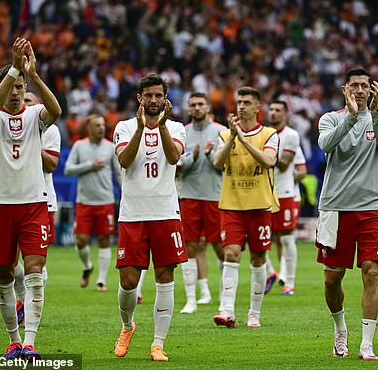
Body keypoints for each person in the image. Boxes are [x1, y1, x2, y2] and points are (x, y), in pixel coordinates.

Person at [0, 37, 61, 359]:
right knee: (4, 274)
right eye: (11, 85)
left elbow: (56, 110)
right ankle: (12, 340)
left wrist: (34, 76)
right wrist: (13, 69)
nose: (15, 91)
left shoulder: (35, 115)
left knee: (35, 272)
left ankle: (30, 342)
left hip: (33, 204)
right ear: (3, 85)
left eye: (19, 86)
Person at [315, 68, 378, 360]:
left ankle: (367, 343)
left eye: (365, 86)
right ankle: (340, 329)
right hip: (335, 207)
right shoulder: (330, 119)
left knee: (371, 272)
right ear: (344, 88)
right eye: (355, 86)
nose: (360, 90)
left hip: (372, 208)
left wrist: (372, 114)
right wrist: (350, 117)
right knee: (331, 280)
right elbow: (326, 145)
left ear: (372, 90)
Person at [112, 73, 186, 362]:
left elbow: (173, 157)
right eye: (148, 95)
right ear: (139, 98)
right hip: (132, 214)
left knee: (165, 277)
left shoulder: (177, 127)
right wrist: (142, 130)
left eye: (158, 95)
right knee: (129, 281)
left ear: (165, 98)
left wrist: (162, 127)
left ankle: (158, 343)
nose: (153, 100)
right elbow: (124, 160)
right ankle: (128, 326)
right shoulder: (124, 127)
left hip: (166, 212)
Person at [212, 86, 279, 328]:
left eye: (247, 102)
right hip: (231, 205)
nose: (241, 106)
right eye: (239, 102)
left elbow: (269, 161)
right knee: (231, 254)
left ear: (257, 107)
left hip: (260, 206)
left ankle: (254, 313)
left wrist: (243, 139)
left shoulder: (269, 134)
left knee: (258, 258)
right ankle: (227, 309)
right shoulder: (224, 135)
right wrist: (233, 137)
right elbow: (217, 162)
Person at [13, 91, 61, 325]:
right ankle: (25, 297)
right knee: (10, 262)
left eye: (29, 101)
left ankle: (28, 307)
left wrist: (32, 142)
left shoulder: (50, 129)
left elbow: (52, 164)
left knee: (36, 261)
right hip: (12, 199)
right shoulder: (8, 124)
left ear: (38, 106)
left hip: (42, 199)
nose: (24, 104)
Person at [177, 92, 225, 314]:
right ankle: (191, 299)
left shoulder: (221, 131)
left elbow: (224, 165)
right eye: (193, 105)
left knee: (221, 247)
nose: (197, 108)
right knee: (190, 246)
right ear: (188, 109)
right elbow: (175, 164)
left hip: (215, 196)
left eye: (200, 104)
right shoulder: (182, 133)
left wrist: (208, 156)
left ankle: (225, 295)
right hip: (189, 195)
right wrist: (192, 157)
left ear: (208, 107)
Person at [64, 114, 121, 292]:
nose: (101, 128)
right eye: (97, 125)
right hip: (84, 202)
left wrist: (126, 191)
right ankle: (88, 266)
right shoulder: (79, 146)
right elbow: (67, 170)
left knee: (104, 240)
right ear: (89, 128)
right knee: (81, 241)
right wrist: (89, 165)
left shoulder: (111, 147)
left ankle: (101, 281)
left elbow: (119, 174)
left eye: (103, 125)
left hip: (105, 201)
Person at [263, 100, 301, 296]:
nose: (273, 113)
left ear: (285, 115)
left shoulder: (291, 135)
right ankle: (270, 273)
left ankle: (290, 282)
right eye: (271, 109)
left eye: (278, 110)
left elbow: (285, 164)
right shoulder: (262, 133)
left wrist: (261, 152)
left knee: (286, 238)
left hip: (285, 192)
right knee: (256, 238)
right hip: (263, 192)